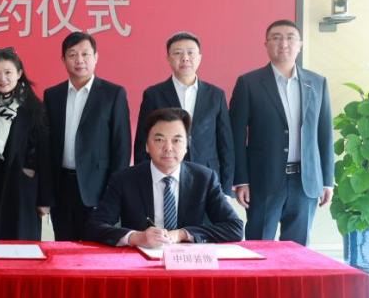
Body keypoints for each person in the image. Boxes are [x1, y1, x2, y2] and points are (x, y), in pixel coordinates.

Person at [229, 19, 334, 245]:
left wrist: (327, 181)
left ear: (300, 45)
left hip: (305, 182)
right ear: (266, 45)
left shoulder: (318, 83)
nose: (283, 43)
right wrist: (241, 180)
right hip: (263, 180)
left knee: (298, 250)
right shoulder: (249, 83)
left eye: (290, 38)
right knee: (260, 246)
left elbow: (324, 135)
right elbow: (236, 136)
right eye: (276, 38)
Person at [85, 108, 243, 247]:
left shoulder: (204, 178)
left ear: (186, 145)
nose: (168, 148)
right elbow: (95, 227)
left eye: (176, 140)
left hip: (187, 261)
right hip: (140, 259)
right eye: (159, 140)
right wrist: (137, 237)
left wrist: (182, 234)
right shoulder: (124, 180)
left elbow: (235, 227)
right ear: (147, 145)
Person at [42, 32, 131, 241]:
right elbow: (46, 147)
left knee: (98, 247)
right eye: (72, 54)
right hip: (61, 187)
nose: (79, 60)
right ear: (63, 59)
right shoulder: (52, 95)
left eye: (85, 54)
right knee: (64, 245)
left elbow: (121, 147)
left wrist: (114, 192)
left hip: (97, 188)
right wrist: (46, 194)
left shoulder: (113, 94)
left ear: (96, 57)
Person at [133, 31, 235, 194]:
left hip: (208, 175)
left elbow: (226, 144)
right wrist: (142, 184)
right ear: (168, 59)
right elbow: (142, 141)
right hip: (165, 174)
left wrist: (227, 190)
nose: (185, 58)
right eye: (178, 53)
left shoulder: (216, 95)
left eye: (190, 52)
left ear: (199, 58)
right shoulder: (153, 94)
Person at [0, 47, 49, 241]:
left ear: (19, 73)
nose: (3, 79)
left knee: (21, 249)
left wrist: (44, 199)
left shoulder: (35, 109)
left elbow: (44, 154)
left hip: (22, 190)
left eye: (8, 72)